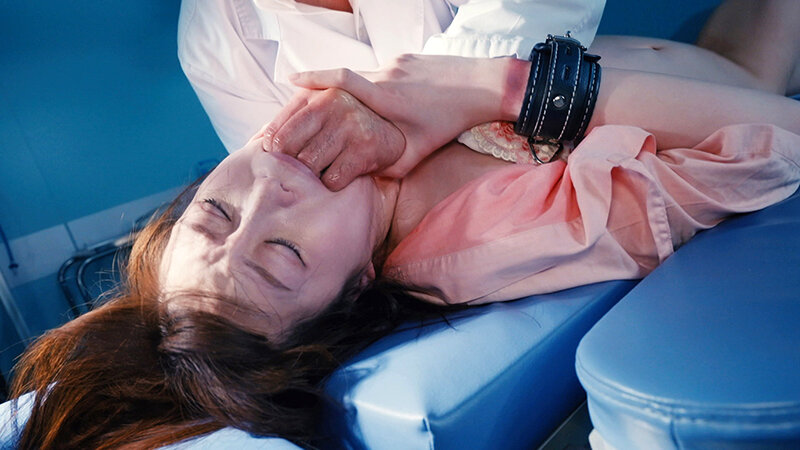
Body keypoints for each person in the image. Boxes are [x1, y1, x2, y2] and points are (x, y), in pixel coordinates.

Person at [6, 2, 800, 449]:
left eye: (214, 212)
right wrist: (488, 88)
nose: (268, 187)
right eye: (280, 252)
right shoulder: (496, 231)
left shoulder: (342, 172)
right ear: (358, 283)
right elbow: (775, 131)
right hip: (732, 80)